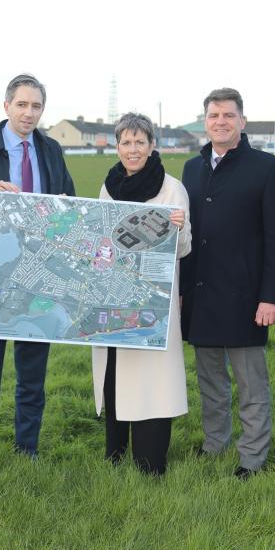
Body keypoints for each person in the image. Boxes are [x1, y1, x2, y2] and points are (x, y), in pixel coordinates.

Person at [0, 73, 76, 478]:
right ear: (6, 106)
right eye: (22, 105)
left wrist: (60, 207)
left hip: (36, 275)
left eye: (37, 106)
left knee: (32, 376)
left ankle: (27, 448)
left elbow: (71, 205)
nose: (29, 113)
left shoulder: (52, 150)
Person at [180, 87, 275, 479]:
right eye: (214, 115)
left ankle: (252, 457)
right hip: (201, 294)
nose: (221, 122)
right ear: (205, 122)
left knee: (251, 385)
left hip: (247, 297)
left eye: (229, 115)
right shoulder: (192, 169)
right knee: (210, 380)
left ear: (242, 121)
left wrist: (271, 297)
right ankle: (214, 443)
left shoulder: (267, 167)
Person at [92, 113, 191, 475]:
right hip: (114, 295)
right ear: (117, 147)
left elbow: (183, 247)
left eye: (139, 142)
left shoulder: (170, 187)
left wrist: (179, 228)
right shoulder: (109, 186)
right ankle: (115, 453)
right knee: (115, 372)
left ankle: (150, 461)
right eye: (125, 143)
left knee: (151, 378)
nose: (132, 150)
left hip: (153, 302)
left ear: (151, 146)